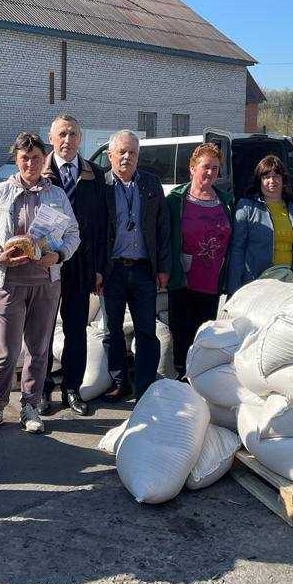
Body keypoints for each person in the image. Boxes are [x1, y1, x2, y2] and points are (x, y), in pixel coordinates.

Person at [0, 132, 79, 436]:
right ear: (16, 159)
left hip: (45, 283)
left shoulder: (57, 196)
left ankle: (31, 406)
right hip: (7, 283)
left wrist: (57, 256)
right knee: (5, 351)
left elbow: (74, 234)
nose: (31, 163)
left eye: (36, 157)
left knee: (38, 348)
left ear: (43, 158)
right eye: (24, 157)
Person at [40, 114, 107, 417]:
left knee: (76, 330)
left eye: (73, 135)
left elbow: (101, 224)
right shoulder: (38, 170)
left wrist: (98, 267)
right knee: (40, 330)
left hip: (80, 264)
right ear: (51, 139)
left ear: (81, 139)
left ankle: (71, 389)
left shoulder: (94, 173)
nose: (68, 141)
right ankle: (41, 390)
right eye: (62, 134)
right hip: (45, 264)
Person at [100, 130, 171, 400]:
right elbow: (95, 231)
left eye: (133, 152)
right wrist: (97, 270)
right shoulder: (101, 185)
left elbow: (163, 227)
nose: (127, 157)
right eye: (122, 152)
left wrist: (163, 267)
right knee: (112, 331)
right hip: (113, 270)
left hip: (144, 270)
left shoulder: (151, 184)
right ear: (110, 155)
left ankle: (144, 386)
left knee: (146, 331)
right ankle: (120, 382)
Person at [165, 143, 234, 379]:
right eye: (205, 167)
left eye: (215, 168)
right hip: (182, 279)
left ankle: (199, 377)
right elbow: (165, 236)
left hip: (211, 280)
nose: (210, 173)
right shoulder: (176, 200)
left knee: (204, 332)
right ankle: (182, 377)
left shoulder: (225, 201)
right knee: (181, 331)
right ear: (192, 168)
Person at [227, 155, 293, 294]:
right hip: (256, 285)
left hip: (288, 283)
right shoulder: (246, 207)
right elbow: (237, 250)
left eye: (276, 176)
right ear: (259, 180)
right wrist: (234, 290)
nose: (272, 181)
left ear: (283, 179)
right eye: (266, 177)